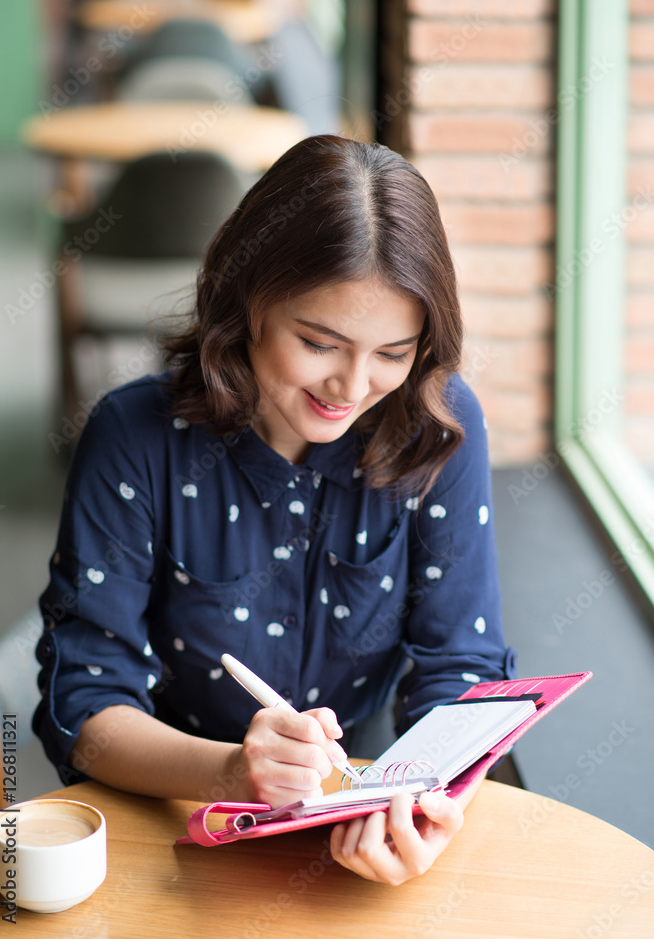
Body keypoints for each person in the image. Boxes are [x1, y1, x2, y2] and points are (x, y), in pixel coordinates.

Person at [34, 134, 515, 885]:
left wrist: (423, 798)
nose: (351, 387)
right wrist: (233, 773)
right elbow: (86, 704)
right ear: (247, 298)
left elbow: (461, 666)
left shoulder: (438, 425)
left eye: (393, 352)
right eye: (319, 342)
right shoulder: (134, 436)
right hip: (163, 800)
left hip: (360, 794)